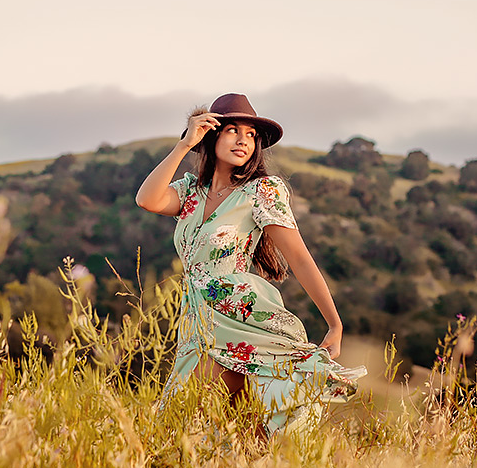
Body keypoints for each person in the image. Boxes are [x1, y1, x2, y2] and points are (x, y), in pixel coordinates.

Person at [136, 93, 366, 436]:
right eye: (232, 130)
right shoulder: (190, 193)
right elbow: (147, 199)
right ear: (211, 134)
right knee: (221, 425)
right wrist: (185, 145)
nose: (244, 140)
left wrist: (334, 323)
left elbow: (299, 258)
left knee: (184, 418)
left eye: (251, 134)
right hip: (197, 320)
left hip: (242, 315)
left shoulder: (262, 191)